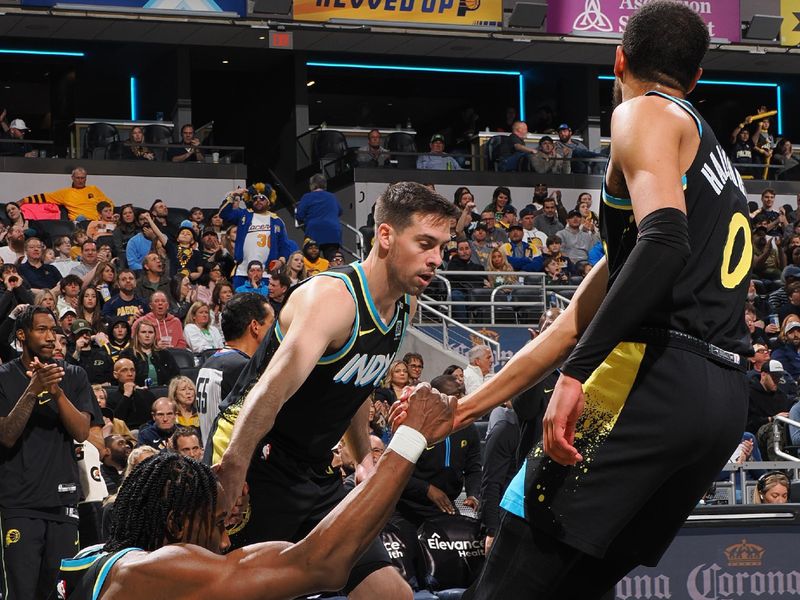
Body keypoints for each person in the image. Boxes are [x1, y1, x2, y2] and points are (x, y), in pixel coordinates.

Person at [427, 4, 753, 597]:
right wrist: (464, 410)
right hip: (719, 400)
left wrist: (576, 377)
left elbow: (663, 240)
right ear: (699, 75)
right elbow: (575, 321)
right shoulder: (712, 164)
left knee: (507, 582)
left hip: (653, 376)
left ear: (619, 58)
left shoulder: (645, 113)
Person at [209, 182, 457, 599]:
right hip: (258, 455)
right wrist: (235, 465)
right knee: (238, 589)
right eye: (426, 244)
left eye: (442, 248)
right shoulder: (332, 297)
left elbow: (355, 389)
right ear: (385, 236)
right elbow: (271, 390)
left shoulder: (403, 307)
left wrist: (364, 460)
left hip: (316, 470)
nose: (436, 260)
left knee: (391, 593)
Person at [56, 384, 454, 600]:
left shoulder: (103, 558)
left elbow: (307, 556)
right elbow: (322, 564)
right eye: (215, 523)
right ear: (175, 522)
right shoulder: (149, 572)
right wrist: (409, 440)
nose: (226, 539)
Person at [0, 306, 100, 599]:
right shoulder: (4, 377)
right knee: (21, 594)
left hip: (63, 503)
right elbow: (6, 435)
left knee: (57, 594)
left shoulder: (74, 375)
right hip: (18, 505)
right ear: (22, 335)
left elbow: (82, 432)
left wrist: (56, 392)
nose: (49, 337)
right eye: (40, 329)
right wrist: (33, 390)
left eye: (53, 330)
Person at [195, 293, 273, 442]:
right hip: (226, 456)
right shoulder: (242, 367)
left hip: (210, 454)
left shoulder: (211, 361)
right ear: (255, 326)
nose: (274, 332)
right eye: (271, 323)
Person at [219, 184, 295, 289]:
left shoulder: (277, 221)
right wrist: (233, 195)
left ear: (269, 201)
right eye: (255, 198)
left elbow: (284, 246)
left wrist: (281, 261)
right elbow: (224, 214)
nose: (258, 200)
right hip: (243, 271)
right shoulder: (244, 214)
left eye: (262, 198)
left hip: (266, 273)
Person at [18, 166, 112, 221]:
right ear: (72, 178)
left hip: (98, 221)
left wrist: (110, 214)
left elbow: (108, 202)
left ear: (86, 178)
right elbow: (45, 196)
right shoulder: (65, 193)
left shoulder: (93, 189)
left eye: (82, 178)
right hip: (80, 222)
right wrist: (24, 200)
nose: (80, 180)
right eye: (78, 178)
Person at [119, 319, 180, 387]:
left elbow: (176, 376)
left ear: (154, 335)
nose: (147, 335)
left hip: (164, 392)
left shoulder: (165, 354)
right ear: (137, 335)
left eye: (150, 332)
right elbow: (121, 378)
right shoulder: (127, 354)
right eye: (143, 332)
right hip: (137, 393)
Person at [296, 174, 343, 261]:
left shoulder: (307, 197)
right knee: (332, 261)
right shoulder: (332, 197)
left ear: (312, 185)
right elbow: (340, 211)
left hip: (314, 232)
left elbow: (300, 215)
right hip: (332, 233)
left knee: (311, 262)